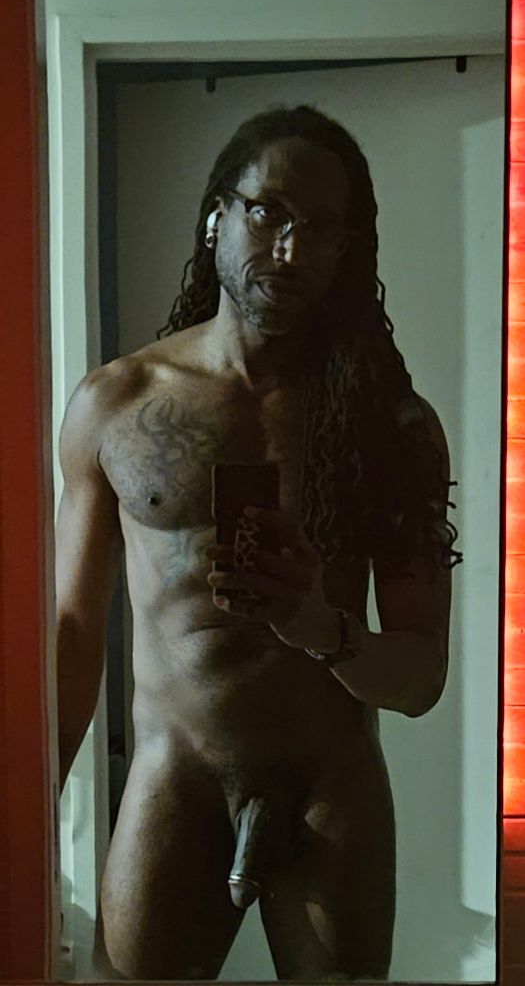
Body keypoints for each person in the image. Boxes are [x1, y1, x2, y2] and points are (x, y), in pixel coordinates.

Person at [56, 104, 460, 982]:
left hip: (332, 788)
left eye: (320, 228)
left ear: (347, 248)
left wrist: (322, 629)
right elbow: (73, 633)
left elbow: (421, 678)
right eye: (267, 211)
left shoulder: (392, 427)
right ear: (217, 215)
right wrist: (27, 814)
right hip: (175, 776)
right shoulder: (116, 404)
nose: (289, 247)